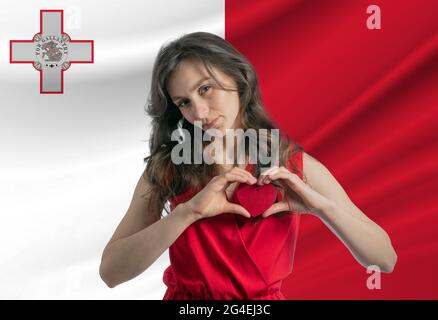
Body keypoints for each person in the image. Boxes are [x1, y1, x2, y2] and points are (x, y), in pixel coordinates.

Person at [99, 32, 397, 299]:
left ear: (238, 78)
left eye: (205, 89)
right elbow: (111, 272)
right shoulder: (169, 168)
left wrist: (323, 209)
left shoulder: (292, 164)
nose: (199, 112)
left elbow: (385, 259)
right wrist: (187, 213)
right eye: (184, 102)